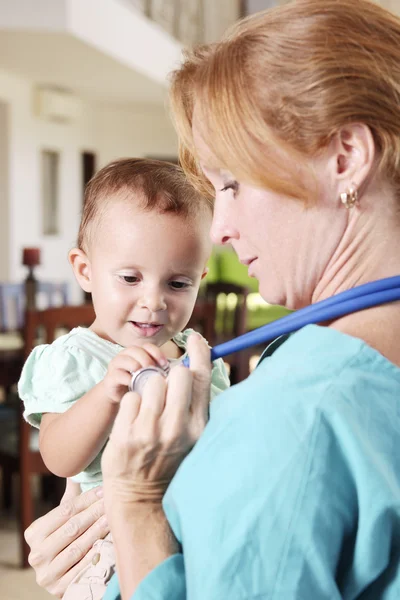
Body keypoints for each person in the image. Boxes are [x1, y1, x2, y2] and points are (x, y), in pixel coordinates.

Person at [25, 0, 400, 598]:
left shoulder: (301, 410)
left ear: (345, 158)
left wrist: (135, 504)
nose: (220, 227)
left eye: (232, 182)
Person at [18, 158, 229, 599]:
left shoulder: (199, 356)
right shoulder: (76, 358)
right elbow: (59, 459)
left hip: (191, 527)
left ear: (200, 280)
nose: (152, 301)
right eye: (130, 278)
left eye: (177, 284)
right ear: (85, 270)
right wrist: (105, 393)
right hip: (105, 540)